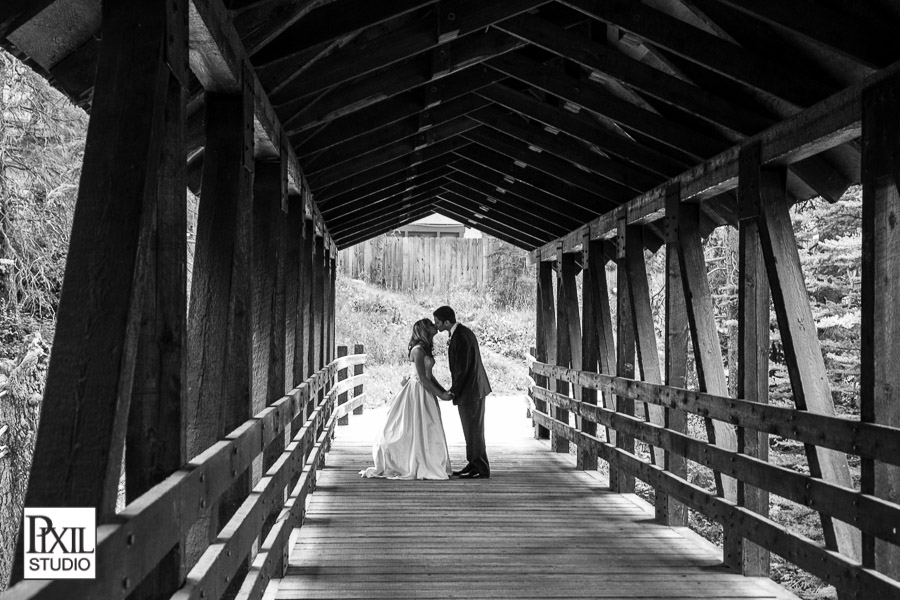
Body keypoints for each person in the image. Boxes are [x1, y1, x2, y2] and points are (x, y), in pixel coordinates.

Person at [359, 318, 453, 480]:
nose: (434, 326)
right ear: (424, 329)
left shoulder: (426, 349)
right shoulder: (417, 350)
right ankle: (409, 460)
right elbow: (423, 379)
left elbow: (430, 376)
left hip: (426, 391)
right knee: (414, 424)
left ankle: (428, 456)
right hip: (417, 391)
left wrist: (443, 391)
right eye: (430, 324)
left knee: (428, 426)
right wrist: (441, 395)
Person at [433, 305, 492, 479]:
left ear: (446, 321)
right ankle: (474, 463)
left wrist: (453, 391)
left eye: (437, 322)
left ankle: (481, 468)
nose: (436, 325)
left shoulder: (460, 337)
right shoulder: (461, 333)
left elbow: (462, 368)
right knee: (471, 428)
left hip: (471, 390)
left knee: (473, 429)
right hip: (473, 388)